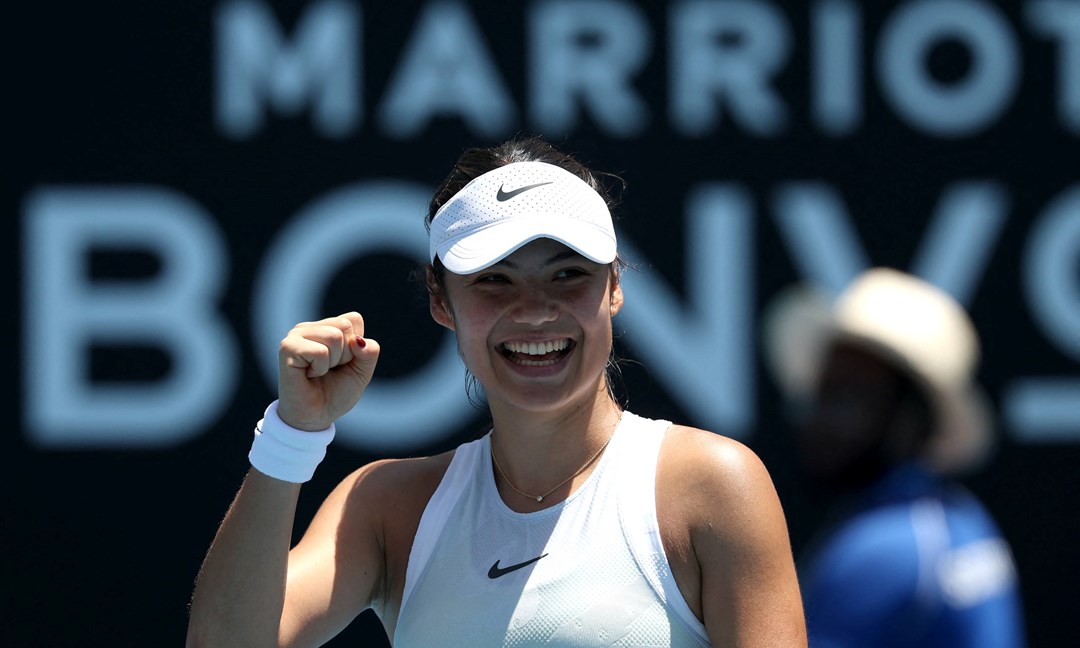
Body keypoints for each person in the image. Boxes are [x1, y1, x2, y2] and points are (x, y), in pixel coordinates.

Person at [186, 136, 807, 647]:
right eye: (494, 281)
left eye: (568, 275)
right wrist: (292, 437)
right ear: (440, 300)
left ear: (613, 286)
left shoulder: (713, 486)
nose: (535, 312)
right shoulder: (387, 506)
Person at [763, 268, 1026, 647]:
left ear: (909, 420)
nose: (816, 419)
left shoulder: (881, 551)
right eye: (821, 394)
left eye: (845, 399)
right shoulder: (966, 519)